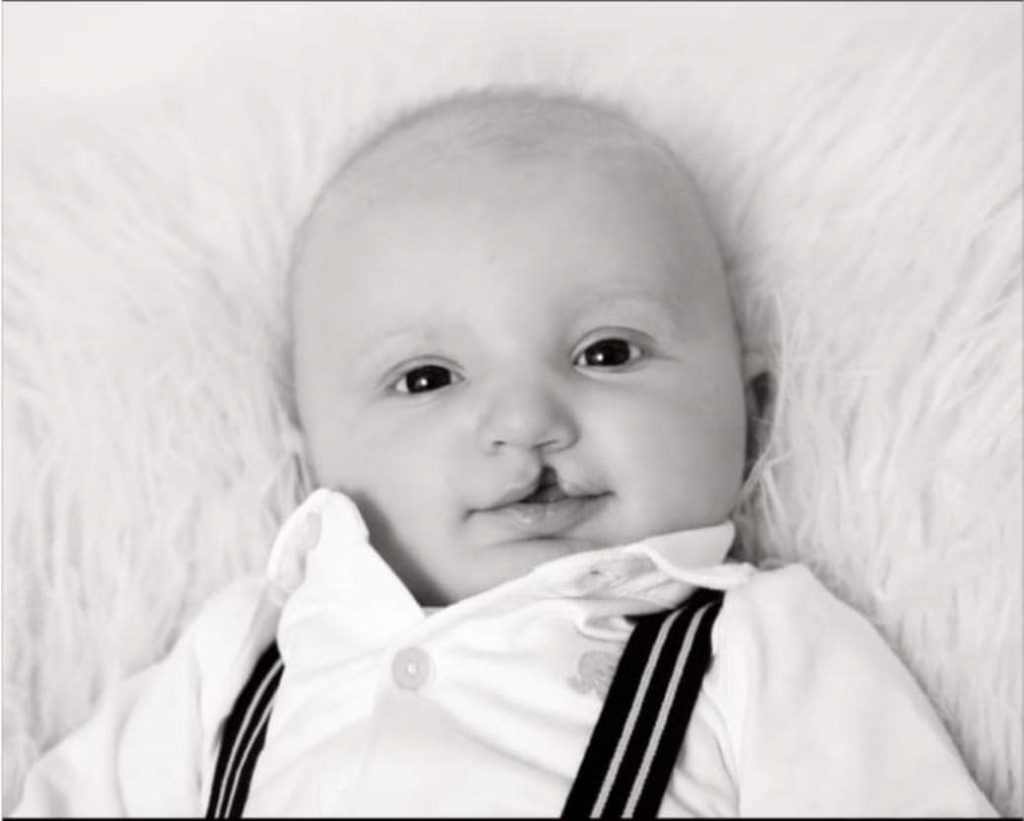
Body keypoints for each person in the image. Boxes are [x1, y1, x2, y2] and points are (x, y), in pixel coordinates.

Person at [13, 88, 997, 817]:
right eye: (429, 377)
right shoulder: (241, 653)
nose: (524, 421)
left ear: (748, 404)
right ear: (311, 442)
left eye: (606, 352)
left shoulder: (760, 644)